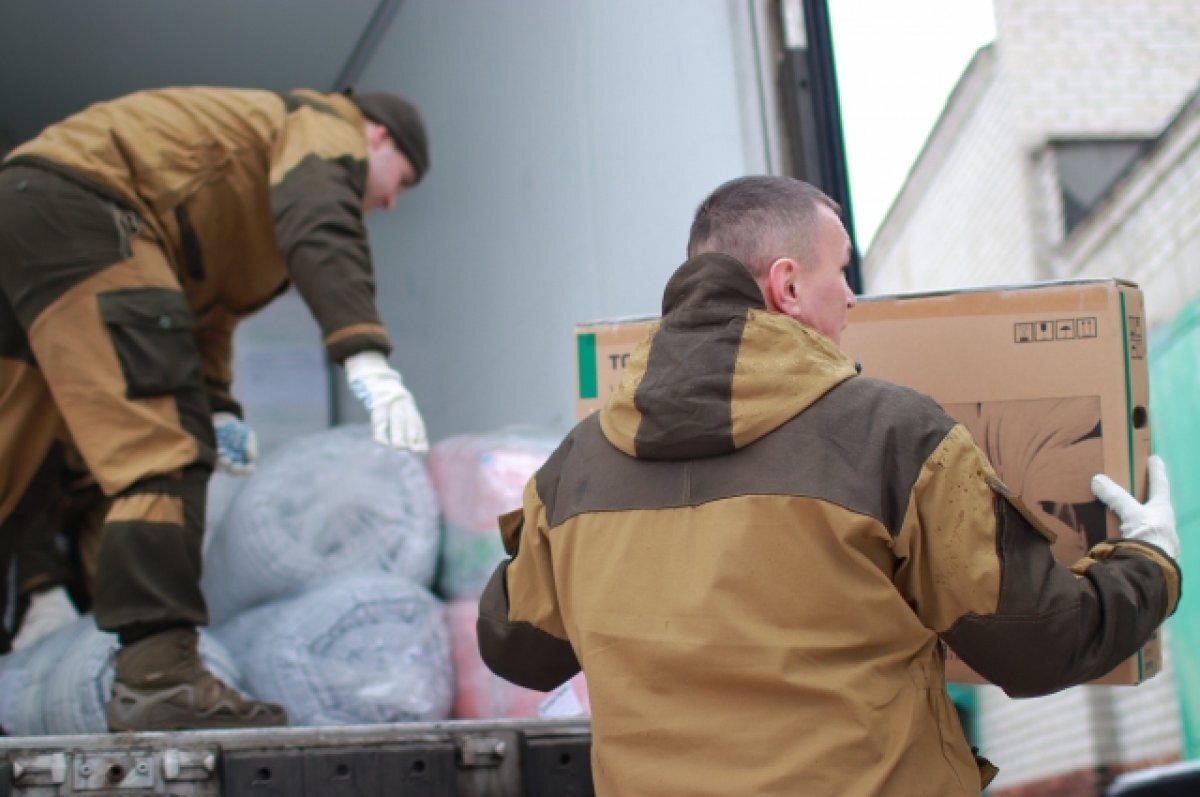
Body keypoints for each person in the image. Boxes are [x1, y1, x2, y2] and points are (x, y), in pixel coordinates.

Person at [476, 175, 1181, 795]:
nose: (849, 297)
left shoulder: (575, 468)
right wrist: (1149, 561)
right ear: (786, 285)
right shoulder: (894, 436)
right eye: (841, 271)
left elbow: (517, 648)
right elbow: (1038, 642)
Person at [0, 85, 433, 731]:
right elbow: (323, 224)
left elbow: (200, 312)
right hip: (88, 208)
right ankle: (160, 679)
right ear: (377, 136)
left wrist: (222, 407)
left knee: (16, 461)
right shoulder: (324, 127)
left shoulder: (244, 189)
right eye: (402, 178)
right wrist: (364, 354)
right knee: (163, 451)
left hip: (36, 212)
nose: (393, 200)